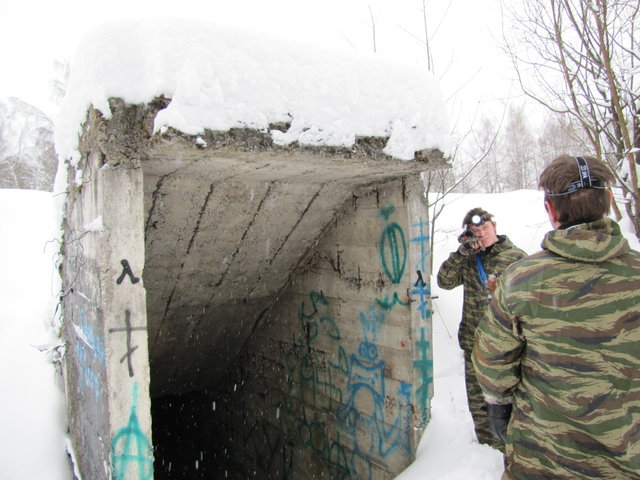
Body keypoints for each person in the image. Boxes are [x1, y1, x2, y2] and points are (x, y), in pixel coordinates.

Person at [472, 154, 640, 479]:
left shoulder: (521, 280)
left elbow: (492, 364)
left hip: (541, 460)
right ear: (607, 200)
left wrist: (498, 407)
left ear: (550, 210)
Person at [437, 207, 526, 451]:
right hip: (474, 345)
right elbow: (443, 282)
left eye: (485, 228)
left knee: (509, 404)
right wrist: (461, 253)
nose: (482, 234)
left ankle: (512, 452)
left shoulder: (515, 256)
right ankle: (485, 451)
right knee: (479, 406)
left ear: (494, 227)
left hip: (505, 349)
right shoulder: (468, 259)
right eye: (475, 231)